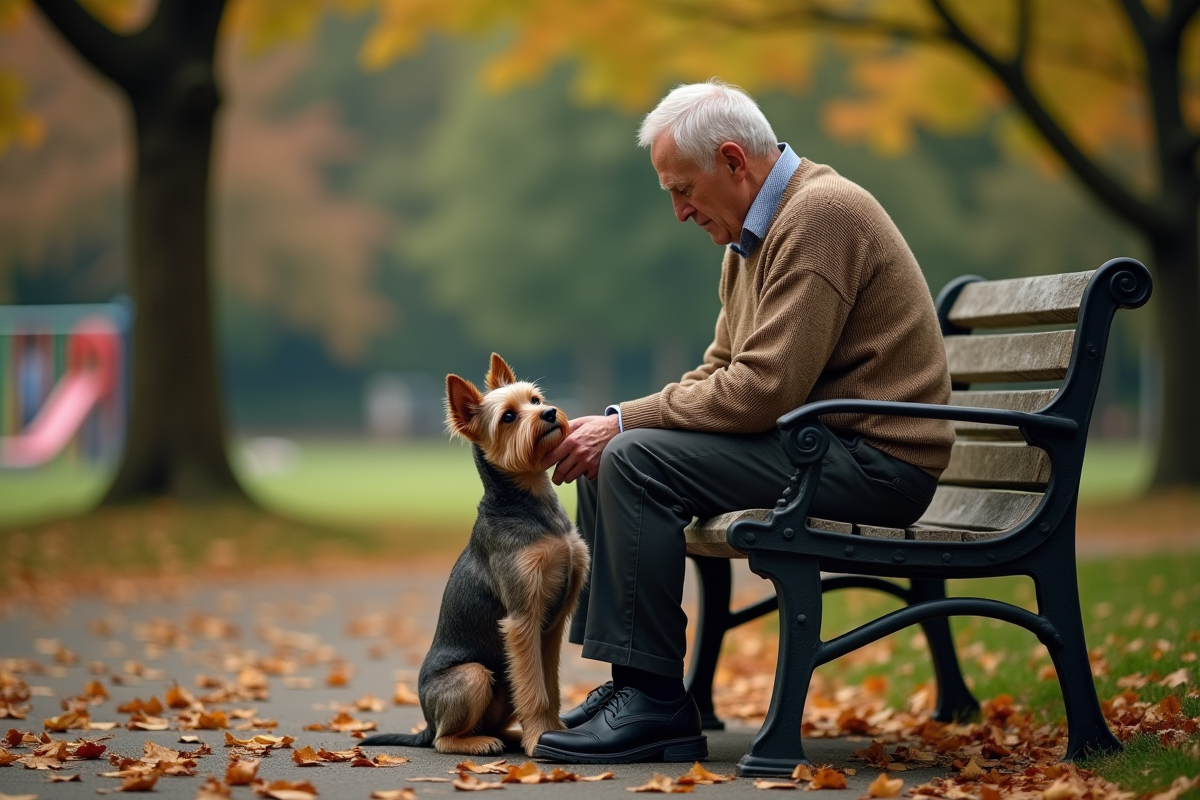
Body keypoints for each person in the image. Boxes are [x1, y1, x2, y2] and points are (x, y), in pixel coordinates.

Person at [534, 80, 955, 764]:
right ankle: (637, 687)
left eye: (682, 189)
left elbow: (761, 390)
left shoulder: (821, 215)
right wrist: (614, 423)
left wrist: (623, 423)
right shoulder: (748, 244)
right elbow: (719, 372)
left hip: (876, 463)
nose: (677, 211)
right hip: (820, 448)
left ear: (734, 161)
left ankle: (653, 701)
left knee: (632, 457)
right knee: (612, 451)